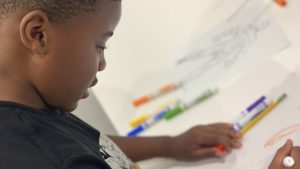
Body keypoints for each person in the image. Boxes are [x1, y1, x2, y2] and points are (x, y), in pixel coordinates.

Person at [0, 0, 246, 168]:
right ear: (38, 34)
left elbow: (92, 145)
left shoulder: (31, 108)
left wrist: (169, 144)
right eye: (100, 45)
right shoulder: (52, 158)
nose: (102, 63)